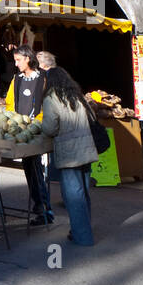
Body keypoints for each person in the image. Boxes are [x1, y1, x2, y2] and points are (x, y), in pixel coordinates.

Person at [40, 66, 98, 246]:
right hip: (86, 150)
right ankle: (81, 230)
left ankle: (83, 237)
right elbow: (92, 118)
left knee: (74, 196)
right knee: (83, 194)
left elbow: (49, 128)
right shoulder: (77, 95)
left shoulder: (51, 99)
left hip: (69, 153)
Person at [6, 45, 53, 226]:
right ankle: (41, 207)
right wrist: (15, 122)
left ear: (28, 59)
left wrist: (36, 124)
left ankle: (44, 209)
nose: (16, 64)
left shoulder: (43, 78)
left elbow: (48, 104)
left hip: (36, 132)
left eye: (18, 60)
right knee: (30, 168)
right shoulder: (16, 79)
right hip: (21, 132)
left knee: (34, 169)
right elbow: (10, 103)